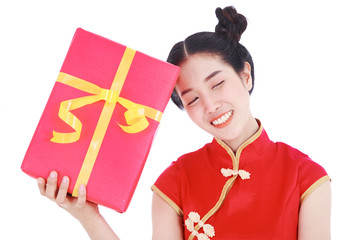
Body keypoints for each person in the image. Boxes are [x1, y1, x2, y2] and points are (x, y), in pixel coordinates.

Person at [37, 6, 331, 240]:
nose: (210, 106)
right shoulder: (174, 182)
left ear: (246, 76)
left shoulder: (306, 177)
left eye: (217, 84)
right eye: (192, 100)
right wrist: (88, 217)